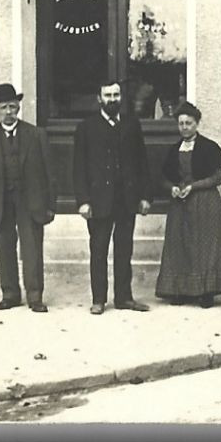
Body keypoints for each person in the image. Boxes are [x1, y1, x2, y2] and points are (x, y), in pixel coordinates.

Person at [0, 83, 55, 312]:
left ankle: (35, 296)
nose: (8, 112)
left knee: (32, 249)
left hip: (31, 202)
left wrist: (50, 206)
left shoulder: (36, 135)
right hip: (0, 204)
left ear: (18, 106)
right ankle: (10, 294)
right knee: (5, 249)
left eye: (12, 106)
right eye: (2, 108)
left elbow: (49, 173)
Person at [72, 80, 153, 315]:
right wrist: (83, 201)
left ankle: (124, 297)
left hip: (126, 199)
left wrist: (145, 196)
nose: (112, 99)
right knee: (98, 251)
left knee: (124, 249)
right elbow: (79, 168)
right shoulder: (86, 128)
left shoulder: (131, 125)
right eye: (107, 95)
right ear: (99, 98)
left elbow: (142, 163)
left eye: (116, 95)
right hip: (98, 202)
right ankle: (99, 299)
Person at [155, 102, 221, 307]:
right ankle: (180, 291)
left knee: (206, 247)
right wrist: (172, 188)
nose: (184, 127)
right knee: (179, 245)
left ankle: (206, 292)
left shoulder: (209, 147)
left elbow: (218, 177)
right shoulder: (175, 150)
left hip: (205, 203)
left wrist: (194, 186)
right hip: (179, 205)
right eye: (181, 123)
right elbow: (163, 178)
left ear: (197, 123)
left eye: (189, 123)